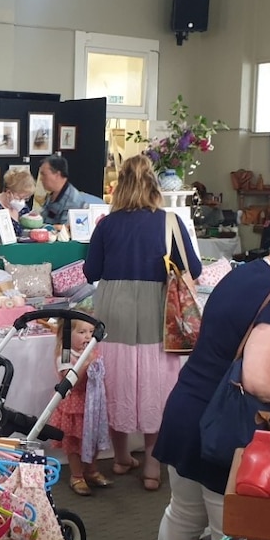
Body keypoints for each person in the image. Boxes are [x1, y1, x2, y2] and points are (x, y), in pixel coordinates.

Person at [153, 198, 270, 540]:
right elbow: (257, 378)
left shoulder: (246, 272)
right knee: (234, 537)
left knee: (183, 514)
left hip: (189, 408)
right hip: (228, 427)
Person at [83, 155, 202, 492]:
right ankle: (152, 466)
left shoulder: (107, 224)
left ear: (120, 185)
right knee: (157, 385)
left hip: (113, 311)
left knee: (115, 381)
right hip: (158, 312)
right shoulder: (170, 222)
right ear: (154, 184)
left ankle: (121, 458)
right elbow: (194, 268)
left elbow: (91, 272)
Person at [48, 316, 112, 496]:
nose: (88, 337)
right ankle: (76, 476)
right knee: (74, 443)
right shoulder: (66, 353)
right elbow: (70, 381)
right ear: (67, 334)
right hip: (74, 406)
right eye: (82, 332)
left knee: (92, 440)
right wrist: (86, 363)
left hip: (92, 404)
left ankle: (91, 471)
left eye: (91, 332)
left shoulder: (93, 351)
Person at [0, 168, 36, 239]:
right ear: (8, 193)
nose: (22, 202)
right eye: (20, 197)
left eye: (25, 198)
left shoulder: (23, 208)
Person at [39, 156, 91, 225]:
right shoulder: (52, 193)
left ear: (57, 175)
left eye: (44, 175)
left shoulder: (73, 201)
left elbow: (64, 230)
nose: (41, 179)